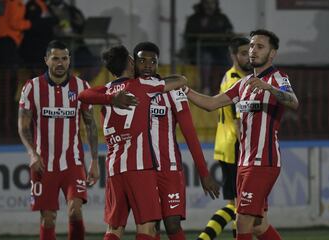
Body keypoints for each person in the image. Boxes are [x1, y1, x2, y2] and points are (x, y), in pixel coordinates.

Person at [184, 29, 299, 240]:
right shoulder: (243, 83)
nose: (253, 50)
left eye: (260, 47)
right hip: (243, 161)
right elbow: (211, 103)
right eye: (252, 46)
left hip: (263, 161)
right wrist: (186, 90)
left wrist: (269, 88)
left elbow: (293, 101)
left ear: (272, 54)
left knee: (242, 221)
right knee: (258, 225)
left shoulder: (278, 78)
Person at [78, 45, 187, 240]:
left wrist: (110, 99)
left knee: (114, 228)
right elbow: (181, 80)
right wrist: (157, 79)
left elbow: (83, 95)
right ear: (130, 63)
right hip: (139, 167)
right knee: (146, 227)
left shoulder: (106, 91)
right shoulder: (142, 86)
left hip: (114, 168)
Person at [132, 42, 220, 240]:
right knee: (148, 226)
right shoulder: (129, 91)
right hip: (141, 170)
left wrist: (204, 172)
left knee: (172, 224)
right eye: (142, 60)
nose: (147, 65)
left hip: (170, 169)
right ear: (134, 63)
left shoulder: (173, 91)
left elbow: (189, 133)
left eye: (152, 61)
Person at [18, 40, 100, 240]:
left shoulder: (81, 86)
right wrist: (32, 154)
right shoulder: (32, 87)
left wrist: (95, 161)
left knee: (75, 210)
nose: (60, 62)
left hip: (73, 161)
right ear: (46, 60)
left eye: (64, 58)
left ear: (69, 60)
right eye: (55, 58)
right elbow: (23, 125)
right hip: (43, 163)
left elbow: (90, 124)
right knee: (48, 218)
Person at [197, 37, 252, 240]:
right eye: (243, 53)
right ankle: (204, 238)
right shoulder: (237, 80)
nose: (248, 56)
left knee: (237, 206)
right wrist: (247, 150)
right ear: (233, 55)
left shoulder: (229, 76)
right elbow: (239, 120)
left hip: (224, 144)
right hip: (234, 146)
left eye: (250, 52)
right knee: (240, 206)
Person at [0, 0, 32, 140]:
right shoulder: (14, 2)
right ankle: (5, 122)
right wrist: (30, 24)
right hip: (6, 43)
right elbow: (14, 23)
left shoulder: (1, 1)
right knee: (9, 83)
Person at [183, 0, 233, 94]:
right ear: (202, 4)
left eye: (212, 3)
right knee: (206, 58)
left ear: (216, 4)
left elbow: (229, 32)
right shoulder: (195, 18)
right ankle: (205, 87)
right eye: (207, 3)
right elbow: (189, 35)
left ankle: (227, 87)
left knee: (229, 60)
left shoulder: (222, 18)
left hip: (219, 49)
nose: (209, 6)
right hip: (201, 49)